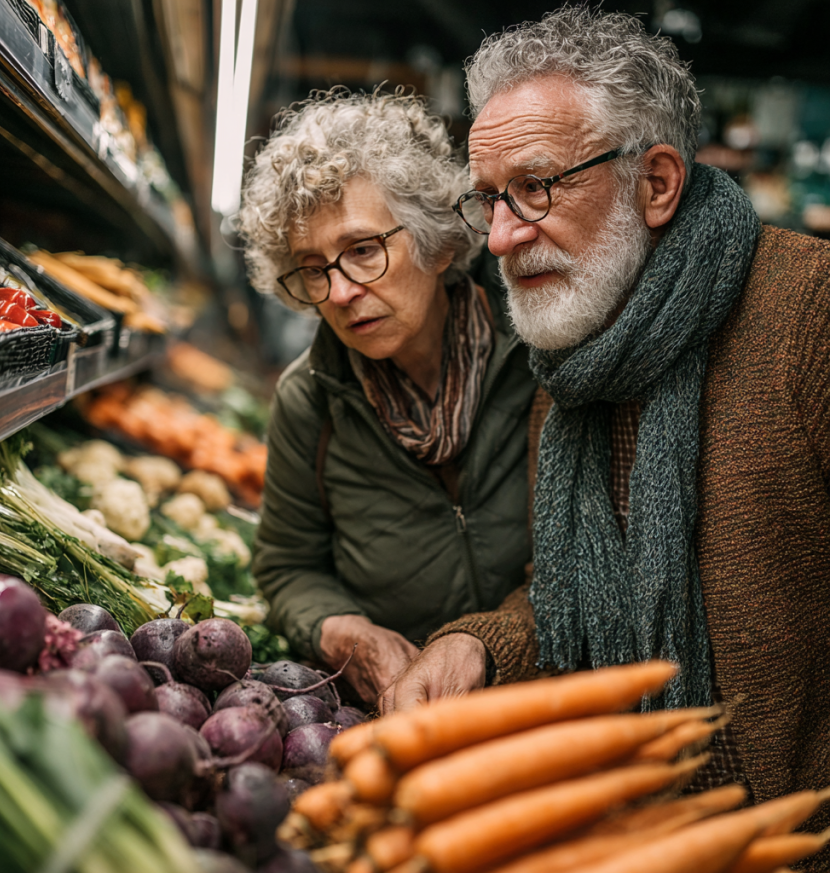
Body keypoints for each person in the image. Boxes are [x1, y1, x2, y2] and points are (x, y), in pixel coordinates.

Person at [383, 6, 830, 834]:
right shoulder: (568, 367)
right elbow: (571, 591)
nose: (503, 237)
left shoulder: (807, 312)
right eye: (489, 199)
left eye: (537, 186)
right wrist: (480, 643)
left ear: (656, 183)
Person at [240, 90, 536, 704]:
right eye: (314, 267)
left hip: (544, 700)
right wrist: (341, 632)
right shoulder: (308, 401)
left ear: (438, 242)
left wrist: (491, 643)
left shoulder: (538, 359)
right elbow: (286, 566)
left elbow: (591, 554)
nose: (341, 292)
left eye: (363, 251)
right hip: (402, 713)